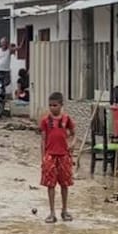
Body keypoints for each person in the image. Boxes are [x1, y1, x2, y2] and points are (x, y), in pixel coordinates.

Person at [39, 92, 75, 223]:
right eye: (50, 105)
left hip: (64, 155)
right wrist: (43, 158)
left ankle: (64, 210)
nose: (52, 108)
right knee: (50, 185)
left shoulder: (67, 119)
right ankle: (52, 212)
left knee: (65, 184)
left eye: (55, 105)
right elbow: (43, 140)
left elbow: (74, 134)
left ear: (61, 105)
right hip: (50, 155)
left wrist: (72, 144)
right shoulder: (45, 121)